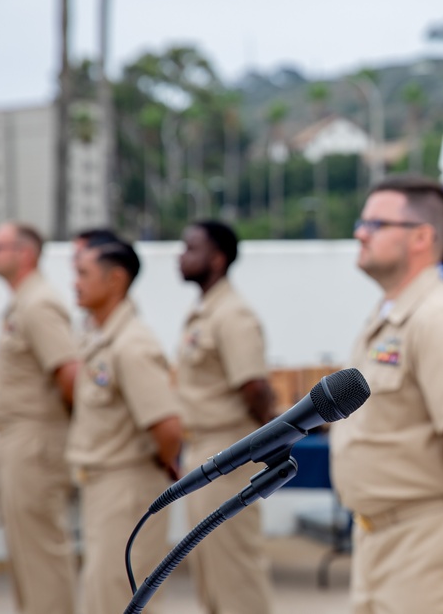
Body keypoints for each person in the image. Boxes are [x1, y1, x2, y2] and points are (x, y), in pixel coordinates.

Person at [330, 174, 443, 614]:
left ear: (422, 237)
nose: (360, 233)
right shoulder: (392, 313)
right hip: (382, 536)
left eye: (375, 224)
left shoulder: (439, 317)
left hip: (428, 542)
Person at [66, 237, 182, 614]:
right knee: (104, 596)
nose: (75, 282)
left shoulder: (131, 344)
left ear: (115, 280)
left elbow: (167, 427)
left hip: (126, 487)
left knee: (118, 600)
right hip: (104, 486)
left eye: (83, 273)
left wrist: (157, 465)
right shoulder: (100, 337)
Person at [175, 219, 276, 614]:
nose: (180, 257)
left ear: (216, 259)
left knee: (235, 575)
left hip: (228, 450)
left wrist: (265, 435)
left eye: (191, 249)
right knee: (210, 572)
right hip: (202, 449)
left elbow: (253, 387)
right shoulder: (205, 311)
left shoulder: (232, 315)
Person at [0, 222, 80, 614]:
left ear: (25, 253)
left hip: (36, 440)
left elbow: (70, 373)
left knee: (42, 556)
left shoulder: (39, 303)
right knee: (26, 555)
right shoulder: (23, 301)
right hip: (19, 440)